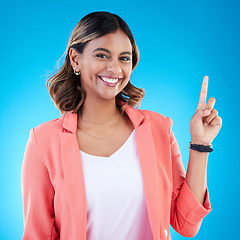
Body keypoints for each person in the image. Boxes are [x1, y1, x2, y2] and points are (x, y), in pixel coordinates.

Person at [21, 11, 222, 240]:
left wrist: (200, 145)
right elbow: (38, 235)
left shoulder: (158, 128)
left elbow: (186, 224)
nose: (115, 69)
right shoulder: (43, 141)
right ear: (76, 59)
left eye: (124, 58)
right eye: (102, 55)